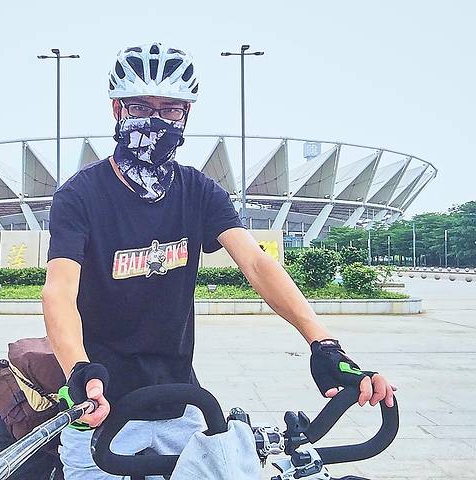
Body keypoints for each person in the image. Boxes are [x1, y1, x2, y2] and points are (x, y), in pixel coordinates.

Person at [41, 42, 396, 479]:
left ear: (186, 115)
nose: (156, 120)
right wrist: (78, 371)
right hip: (100, 404)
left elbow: (257, 264)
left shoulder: (199, 192)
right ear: (117, 109)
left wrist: (323, 344)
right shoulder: (80, 195)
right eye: (141, 107)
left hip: (182, 403)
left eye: (170, 109)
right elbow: (59, 291)